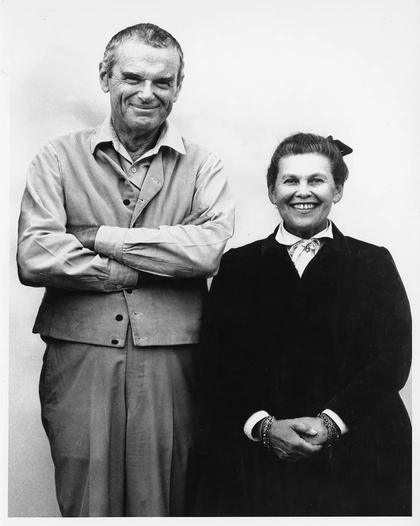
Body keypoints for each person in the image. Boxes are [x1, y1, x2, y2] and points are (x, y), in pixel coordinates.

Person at [17, 22, 234, 517]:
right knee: (87, 498)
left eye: (162, 82)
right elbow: (34, 253)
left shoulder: (204, 165)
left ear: (178, 86)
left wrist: (98, 237)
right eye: (133, 78)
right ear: (105, 77)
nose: (147, 93)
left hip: (173, 360)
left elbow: (206, 252)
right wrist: (133, 270)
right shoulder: (57, 157)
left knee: (165, 499)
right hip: (80, 355)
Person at [196, 133, 411, 516]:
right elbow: (216, 363)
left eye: (316, 180)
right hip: (257, 461)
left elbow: (392, 359)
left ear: (337, 189)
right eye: (290, 180)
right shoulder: (238, 266)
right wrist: (266, 428)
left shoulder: (373, 262)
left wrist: (331, 423)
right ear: (272, 191)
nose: (303, 192)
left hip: (361, 453)